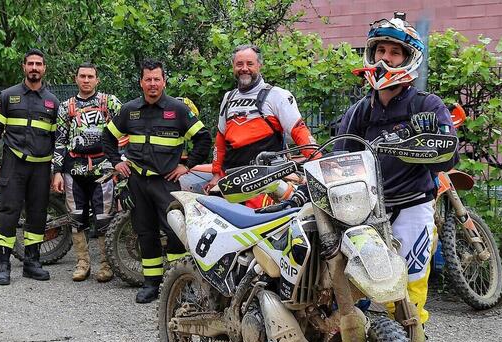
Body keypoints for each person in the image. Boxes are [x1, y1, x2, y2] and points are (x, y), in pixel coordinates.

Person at [298, 13, 458, 342]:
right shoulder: (358, 113)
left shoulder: (427, 104)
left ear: (409, 60)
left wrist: (432, 141)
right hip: (362, 215)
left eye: (395, 53)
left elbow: (446, 155)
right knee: (343, 294)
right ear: (371, 55)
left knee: (408, 295)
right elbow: (335, 162)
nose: (386, 59)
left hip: (411, 208)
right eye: (380, 51)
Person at [101, 60, 212, 303]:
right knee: (145, 233)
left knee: (175, 232)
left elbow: (204, 138)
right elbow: (107, 137)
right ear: (141, 82)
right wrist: (115, 162)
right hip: (138, 182)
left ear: (164, 81)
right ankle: (151, 283)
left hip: (166, 183)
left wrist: (187, 165)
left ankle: (179, 284)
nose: (152, 84)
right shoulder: (130, 110)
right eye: (148, 79)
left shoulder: (178, 110)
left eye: (157, 79)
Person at [0, 49, 61, 285]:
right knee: (9, 213)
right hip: (13, 165)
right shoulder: (8, 96)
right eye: (31, 64)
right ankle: (3, 265)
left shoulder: (53, 102)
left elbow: (58, 139)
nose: (35, 68)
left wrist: (56, 171)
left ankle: (32, 263)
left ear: (44, 68)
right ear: (24, 67)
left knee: (38, 215)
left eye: (39, 64)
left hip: (41, 168)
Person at [206, 44, 316, 192]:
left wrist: (318, 163)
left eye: (250, 64)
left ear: (259, 65)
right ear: (233, 66)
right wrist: (216, 174)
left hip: (267, 181)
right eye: (239, 64)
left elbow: (299, 131)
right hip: (233, 180)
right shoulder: (228, 97)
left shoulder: (277, 95)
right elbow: (220, 139)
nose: (244, 68)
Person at [51, 63, 123, 282]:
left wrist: (120, 162)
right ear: (76, 79)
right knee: (76, 218)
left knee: (104, 217)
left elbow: (126, 132)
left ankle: (106, 264)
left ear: (97, 80)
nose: (86, 80)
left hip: (104, 169)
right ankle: (82, 263)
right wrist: (57, 171)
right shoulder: (66, 107)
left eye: (90, 76)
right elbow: (60, 140)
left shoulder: (110, 102)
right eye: (82, 76)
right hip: (74, 169)